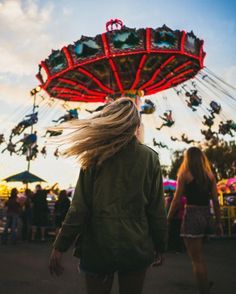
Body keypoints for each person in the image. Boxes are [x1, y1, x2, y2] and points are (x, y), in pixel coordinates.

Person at [49, 98, 167, 294]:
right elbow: (156, 209)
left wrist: (60, 245)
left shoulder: (94, 156)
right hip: (136, 246)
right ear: (137, 125)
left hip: (98, 246)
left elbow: (78, 208)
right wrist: (161, 244)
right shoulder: (150, 158)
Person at [167, 147, 223, 294]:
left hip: (192, 215)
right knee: (200, 257)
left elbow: (177, 200)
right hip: (206, 216)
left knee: (196, 259)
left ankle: (203, 289)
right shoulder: (210, 175)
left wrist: (168, 218)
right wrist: (218, 222)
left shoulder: (184, 175)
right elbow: (216, 202)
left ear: (188, 159)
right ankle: (204, 283)